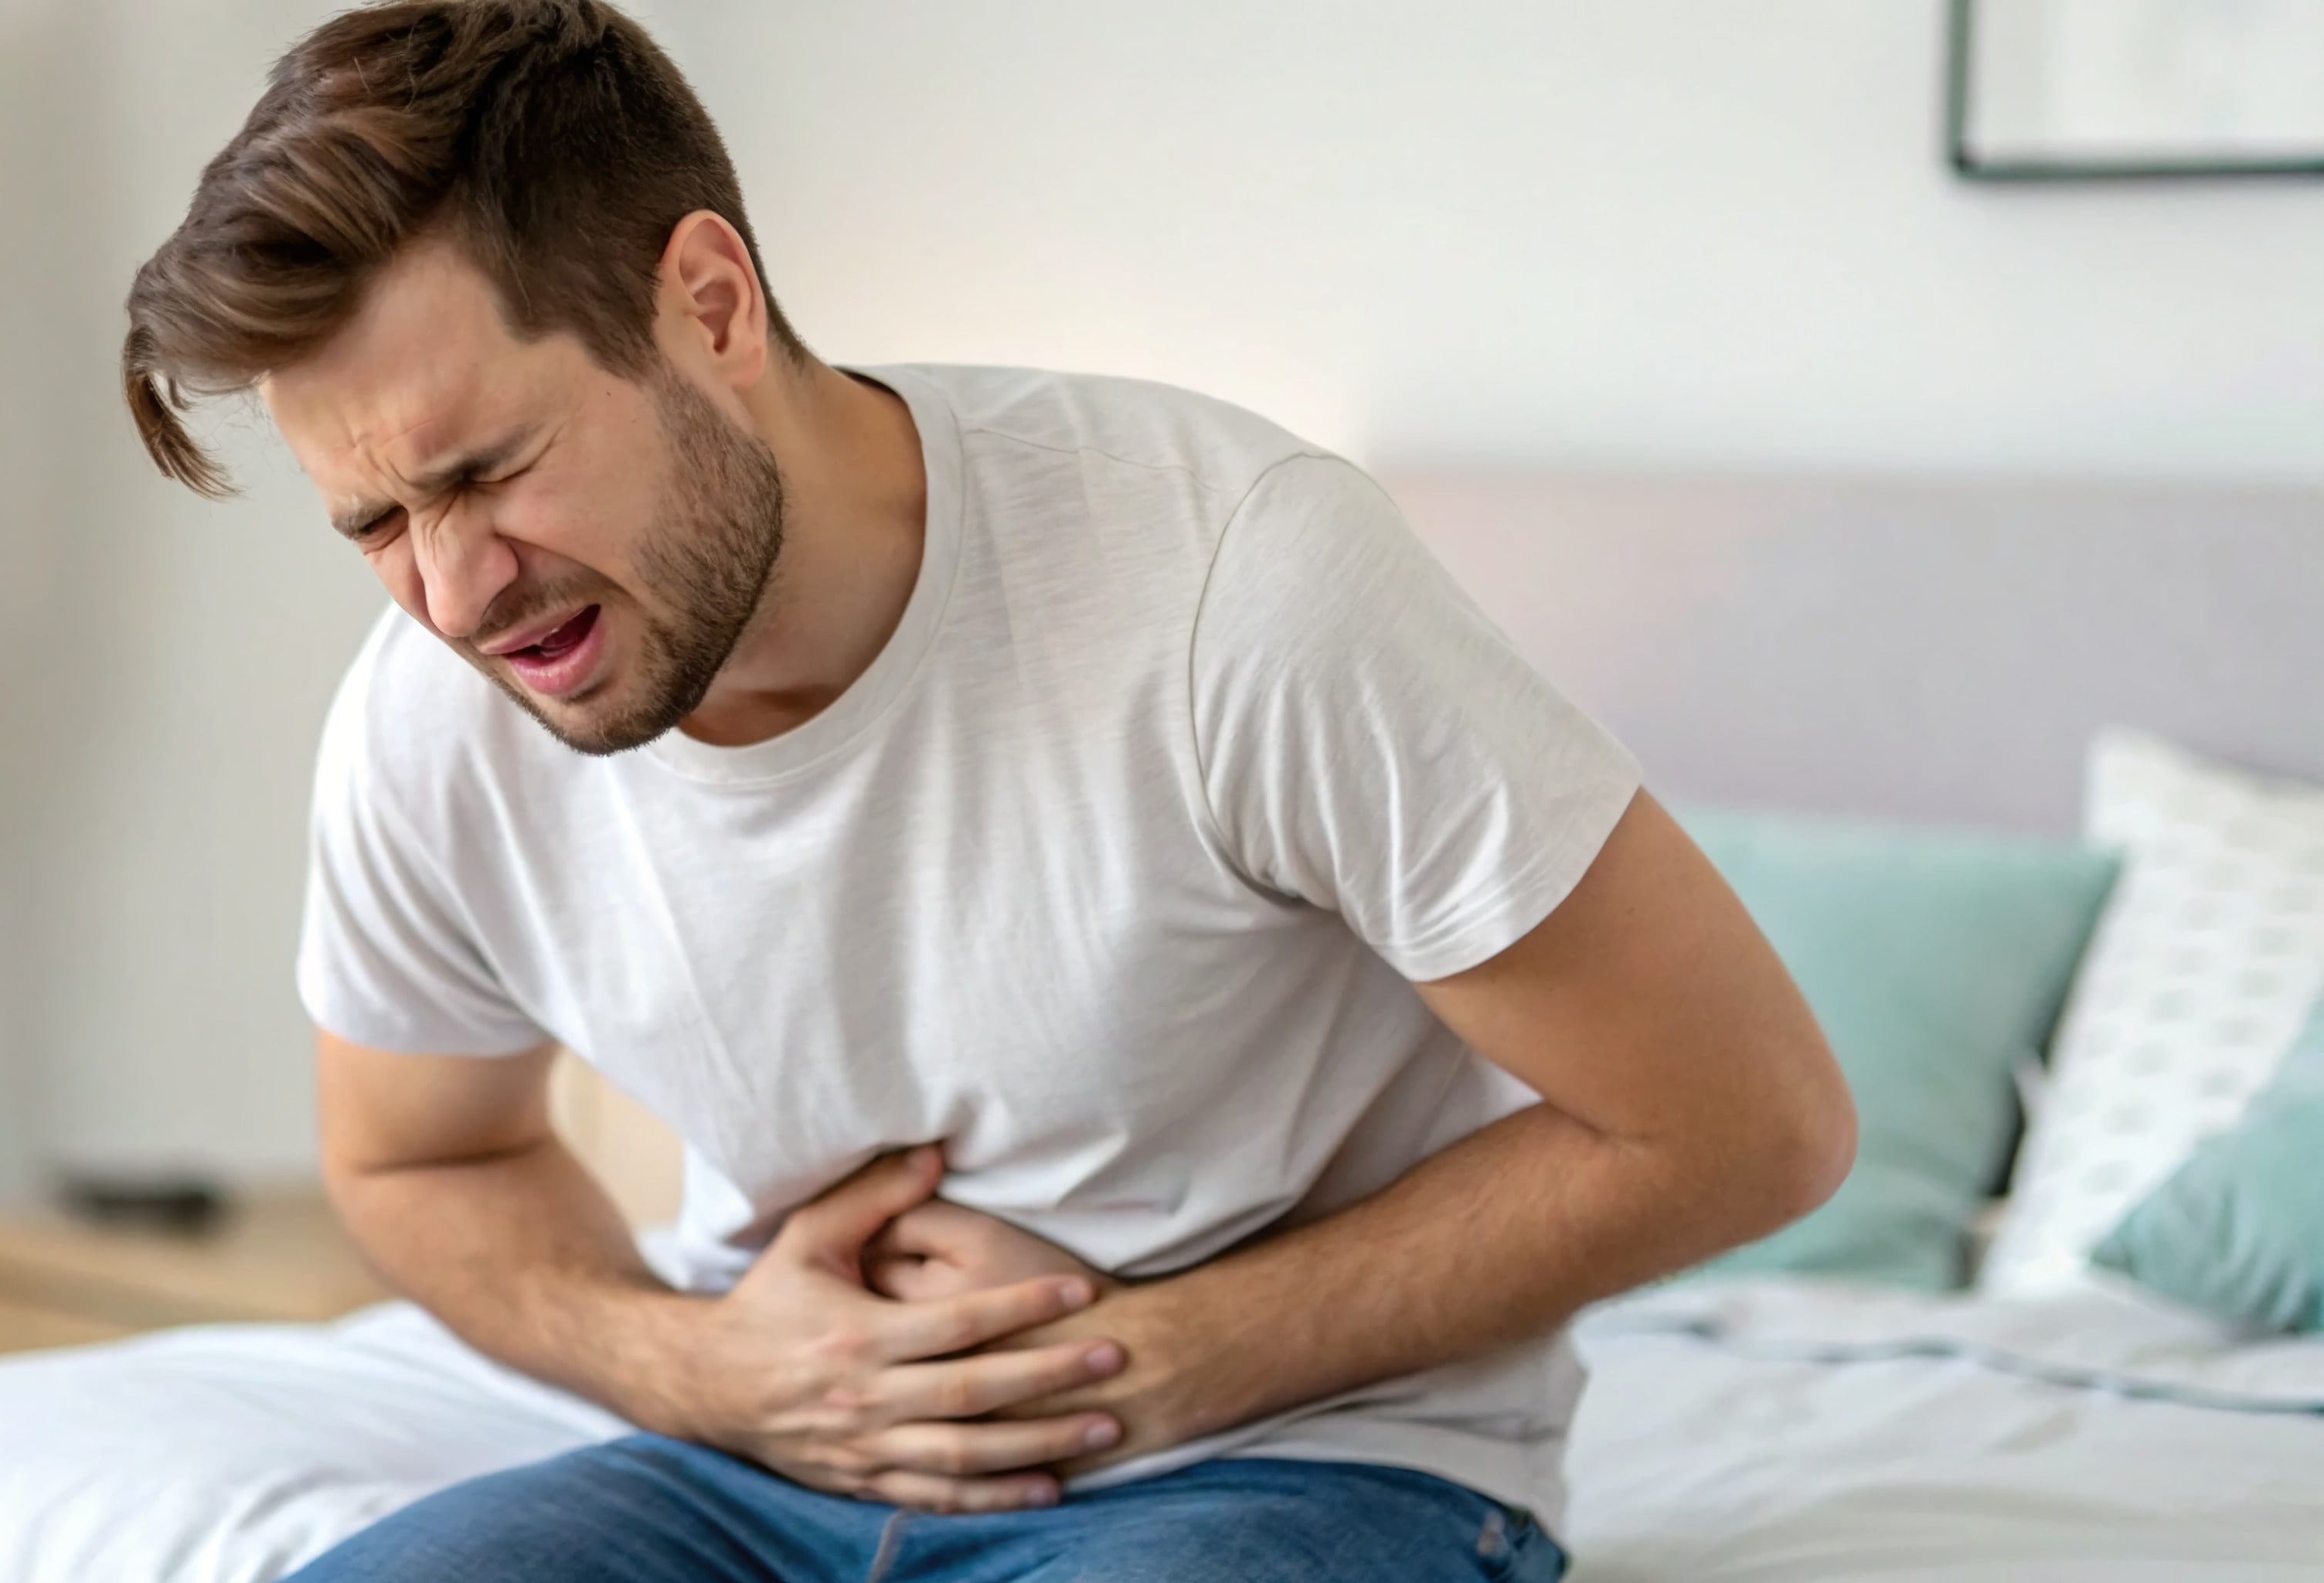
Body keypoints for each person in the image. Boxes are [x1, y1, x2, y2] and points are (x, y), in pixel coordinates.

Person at [117, 3, 1855, 1578]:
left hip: (1299, 1464)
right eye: (370, 525)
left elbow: (1743, 1122)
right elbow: (423, 1157)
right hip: (758, 1460)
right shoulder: (431, 716)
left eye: (487, 470)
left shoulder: (1226, 581)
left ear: (705, 306)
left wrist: (1160, 1359)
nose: (455, 593)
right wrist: (704, 1364)